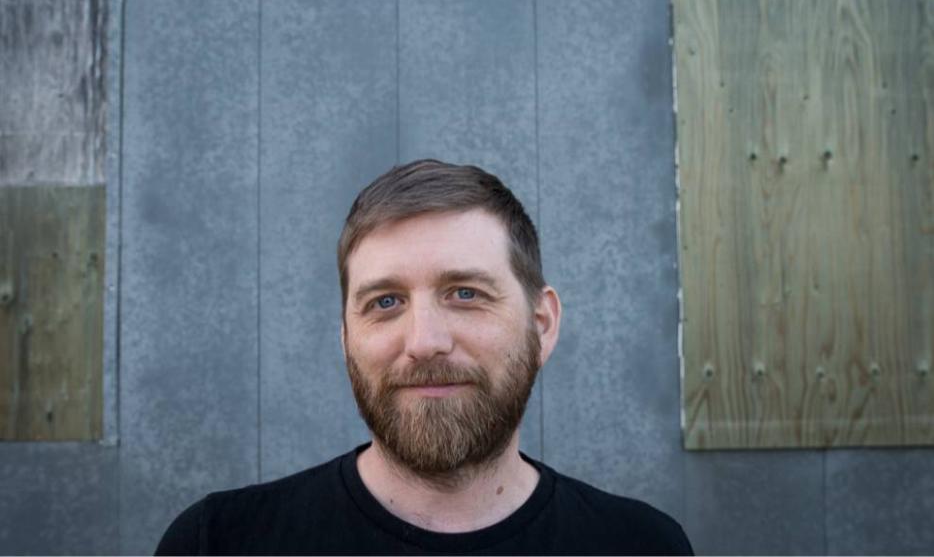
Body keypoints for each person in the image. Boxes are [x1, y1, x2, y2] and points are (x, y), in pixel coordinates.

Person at [156, 159, 693, 555]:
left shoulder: (643, 546)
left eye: (465, 294)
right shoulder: (217, 543)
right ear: (346, 337)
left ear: (542, 324)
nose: (424, 341)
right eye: (385, 302)